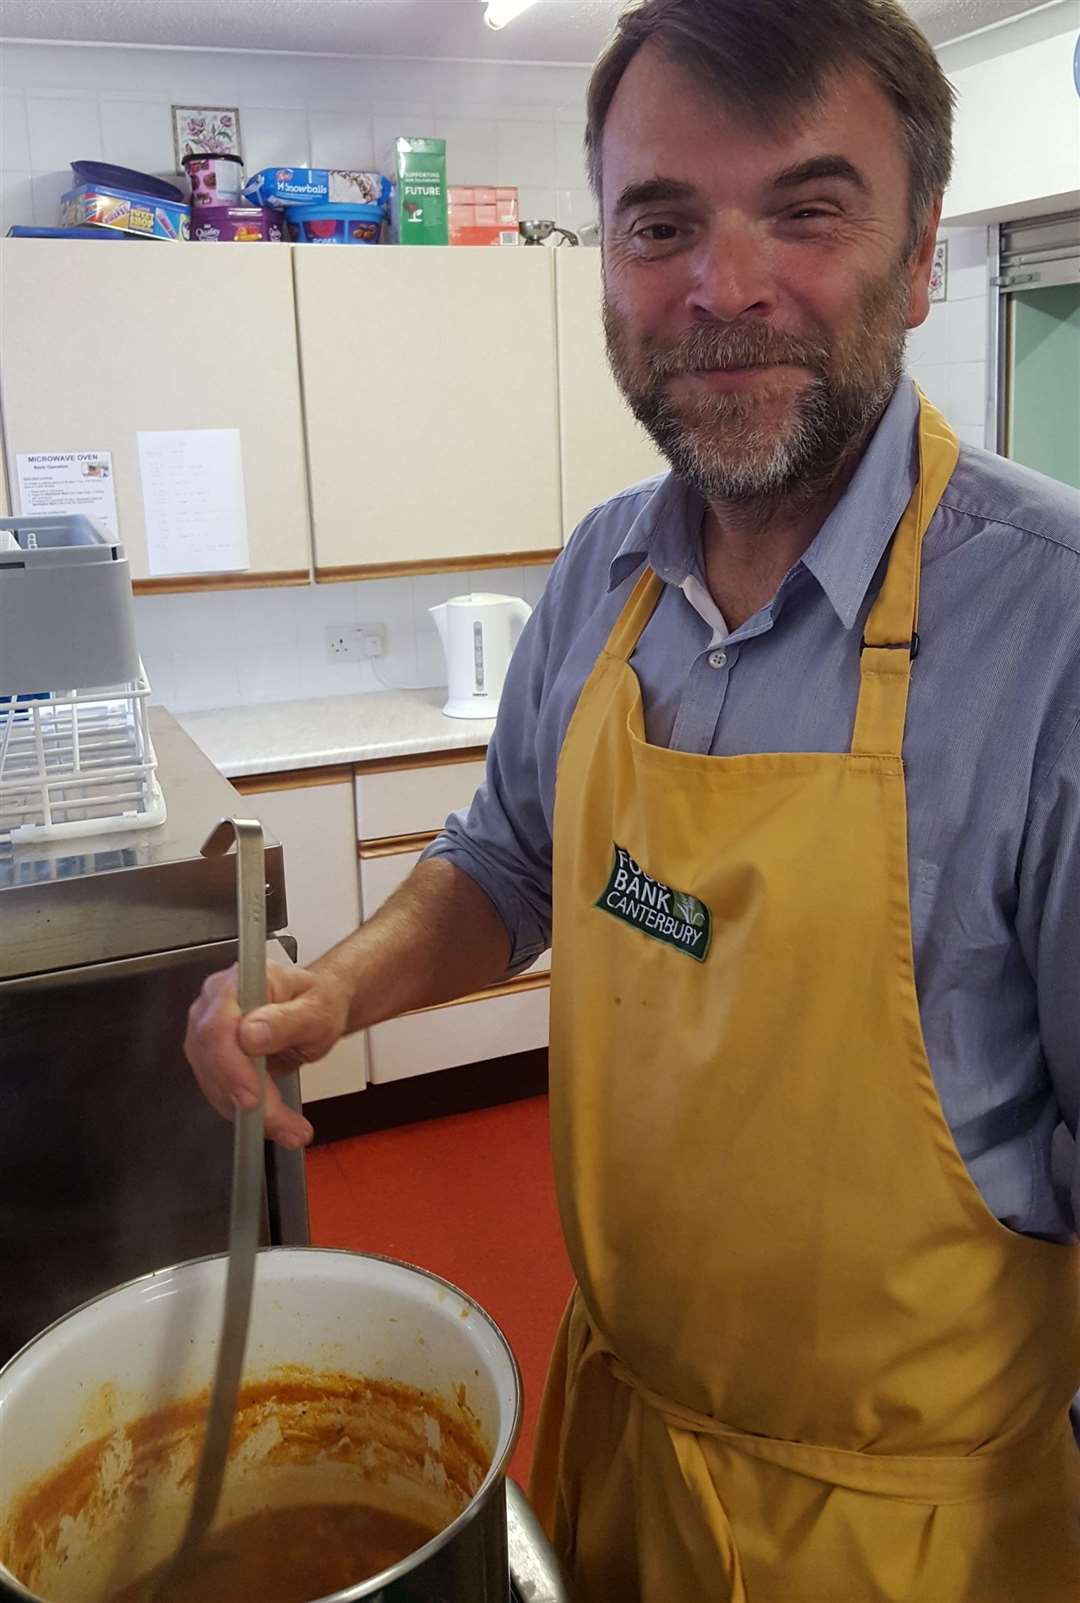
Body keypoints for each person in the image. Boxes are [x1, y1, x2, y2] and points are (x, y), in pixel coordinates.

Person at [186, 1, 1080, 1596]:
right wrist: (336, 991)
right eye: (662, 221)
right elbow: (509, 860)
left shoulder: (1055, 641)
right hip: (613, 1461)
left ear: (926, 249)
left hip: (918, 1547)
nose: (722, 288)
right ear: (605, 257)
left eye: (806, 209)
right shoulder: (603, 571)